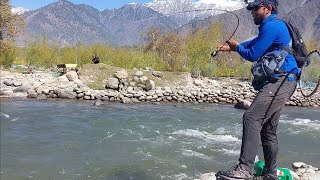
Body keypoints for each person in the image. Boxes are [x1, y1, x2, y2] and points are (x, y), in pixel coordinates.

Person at [217, 0, 299, 179]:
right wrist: (232, 48)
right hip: (287, 79)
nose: (252, 12)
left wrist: (237, 47)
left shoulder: (272, 26)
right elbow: (254, 43)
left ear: (268, 9)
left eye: (255, 8)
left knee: (252, 117)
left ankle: (245, 168)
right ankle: (270, 173)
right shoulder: (273, 27)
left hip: (282, 79)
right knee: (268, 129)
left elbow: (253, 53)